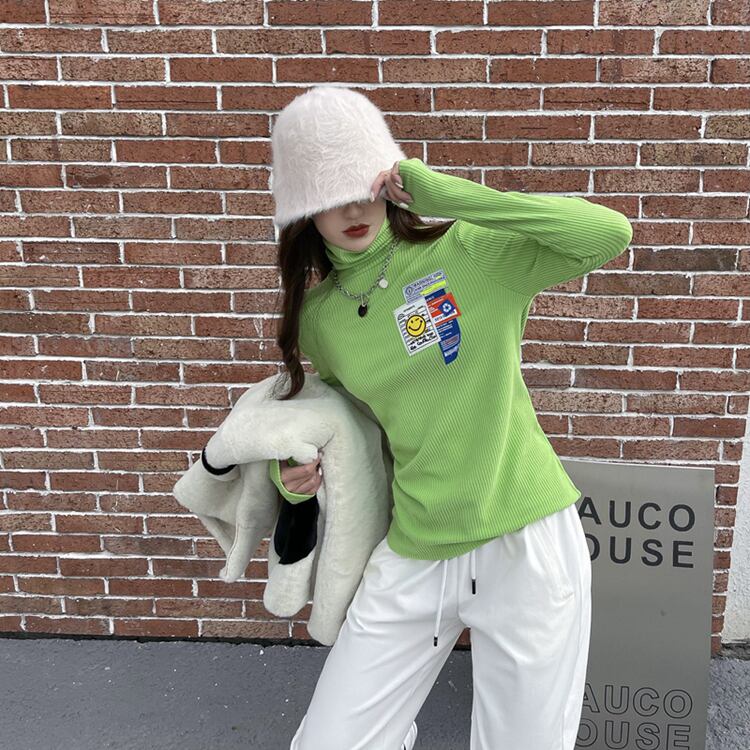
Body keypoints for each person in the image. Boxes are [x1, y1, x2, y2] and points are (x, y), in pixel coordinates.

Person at [267, 85, 633, 750]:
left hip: (525, 542)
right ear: (303, 209)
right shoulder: (320, 321)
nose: (352, 208)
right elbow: (347, 427)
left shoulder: (469, 252)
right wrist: (292, 475)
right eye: (328, 194)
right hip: (416, 547)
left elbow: (608, 233)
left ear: (387, 181)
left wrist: (452, 197)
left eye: (362, 185)